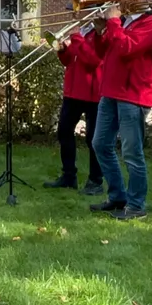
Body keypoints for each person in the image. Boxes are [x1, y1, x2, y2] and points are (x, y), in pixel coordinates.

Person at [90, 0, 152, 220]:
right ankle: (117, 197)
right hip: (110, 92)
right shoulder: (123, 21)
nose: (115, 0)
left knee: (132, 152)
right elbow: (103, 53)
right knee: (100, 144)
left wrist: (112, 23)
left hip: (134, 94)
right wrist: (100, 31)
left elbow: (126, 49)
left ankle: (136, 206)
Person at [43, 22, 104, 195]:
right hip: (73, 92)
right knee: (64, 131)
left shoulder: (99, 31)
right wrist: (62, 50)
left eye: (76, 12)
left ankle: (96, 181)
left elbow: (92, 60)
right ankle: (69, 176)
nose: (74, 16)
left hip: (94, 94)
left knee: (93, 139)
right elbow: (69, 60)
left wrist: (76, 38)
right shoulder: (82, 32)